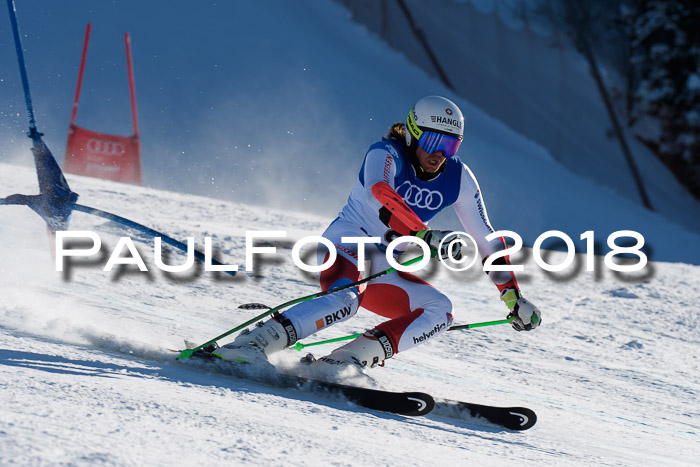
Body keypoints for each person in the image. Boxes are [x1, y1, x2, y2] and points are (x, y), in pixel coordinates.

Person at [214, 95, 541, 377]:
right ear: (413, 134)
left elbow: (486, 238)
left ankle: (341, 362)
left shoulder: (458, 177)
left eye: (450, 144)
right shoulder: (385, 153)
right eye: (432, 142)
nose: (439, 153)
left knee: (439, 310)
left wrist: (512, 295)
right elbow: (379, 193)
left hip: (380, 263)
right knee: (345, 301)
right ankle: (249, 344)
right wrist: (423, 234)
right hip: (347, 241)